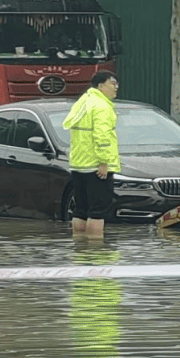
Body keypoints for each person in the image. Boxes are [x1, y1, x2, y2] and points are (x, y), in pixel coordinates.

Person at [62, 71, 121, 237]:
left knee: (81, 210)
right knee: (98, 212)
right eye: (112, 83)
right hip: (96, 166)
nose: (116, 87)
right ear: (101, 86)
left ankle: (80, 249)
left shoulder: (84, 101)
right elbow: (102, 136)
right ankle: (96, 253)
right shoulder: (101, 106)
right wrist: (104, 162)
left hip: (79, 164)